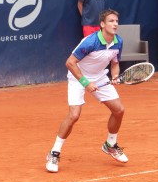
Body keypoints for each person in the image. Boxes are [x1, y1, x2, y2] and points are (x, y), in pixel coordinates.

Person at [46, 9, 128, 173]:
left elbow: (114, 62)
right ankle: (54, 152)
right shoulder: (90, 42)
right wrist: (86, 82)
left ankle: (110, 144)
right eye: (111, 21)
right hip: (78, 77)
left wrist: (116, 75)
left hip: (99, 77)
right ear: (103, 24)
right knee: (74, 115)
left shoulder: (118, 41)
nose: (115, 24)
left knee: (119, 110)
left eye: (117, 21)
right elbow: (70, 63)